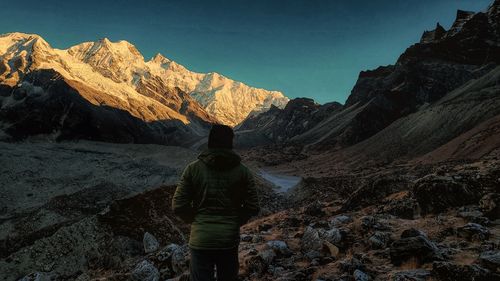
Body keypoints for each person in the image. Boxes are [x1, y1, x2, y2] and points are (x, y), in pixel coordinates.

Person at [172, 124, 260, 281]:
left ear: (209, 142)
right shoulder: (243, 171)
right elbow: (253, 206)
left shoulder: (193, 169)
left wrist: (195, 220)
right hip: (228, 240)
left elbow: (178, 205)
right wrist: (235, 221)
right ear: (231, 143)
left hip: (200, 240)